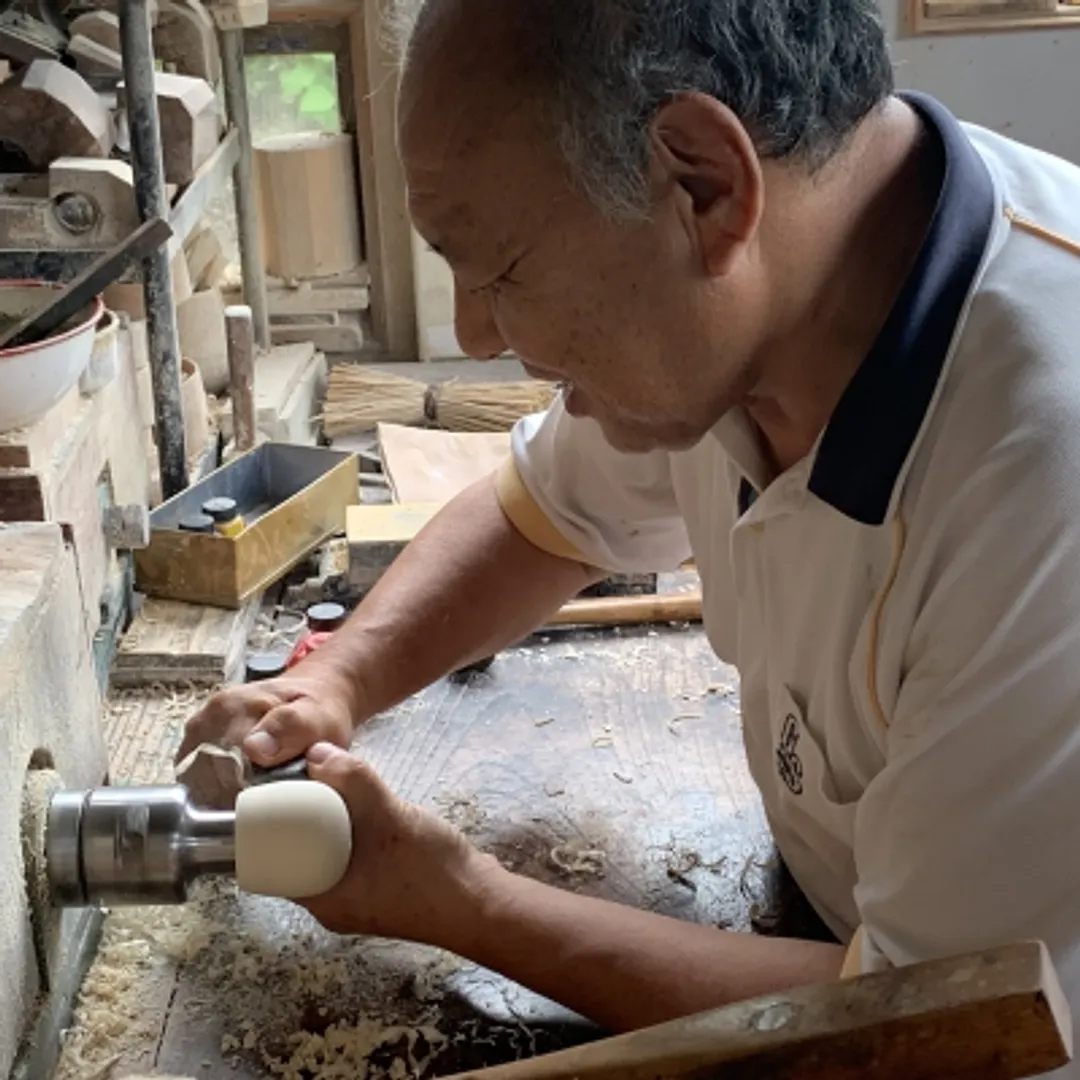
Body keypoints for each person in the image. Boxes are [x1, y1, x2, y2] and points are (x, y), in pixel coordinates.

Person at [180, 0, 1080, 1059]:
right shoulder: (764, 292)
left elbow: (945, 1023)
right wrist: (336, 680)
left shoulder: (1037, 478)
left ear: (704, 182)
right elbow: (542, 515)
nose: (473, 335)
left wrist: (463, 903)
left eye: (502, 271)